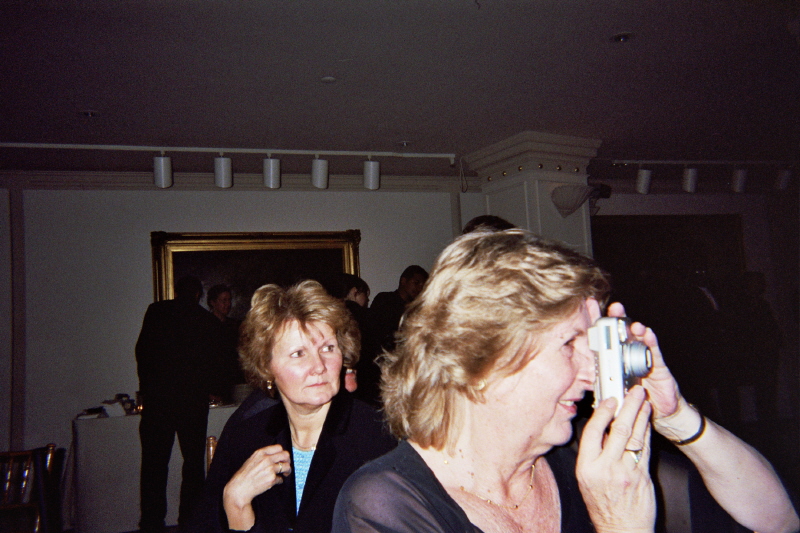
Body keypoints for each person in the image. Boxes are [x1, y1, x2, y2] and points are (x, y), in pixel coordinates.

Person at [333, 230, 798, 533]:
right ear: (482, 358)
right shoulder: (387, 504)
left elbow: (778, 521)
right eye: (570, 344)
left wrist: (677, 417)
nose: (593, 372)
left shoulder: (584, 464)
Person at [190, 280, 397, 533]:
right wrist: (235, 502)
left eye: (328, 348)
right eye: (299, 353)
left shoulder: (375, 435)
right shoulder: (246, 436)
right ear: (266, 366)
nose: (319, 366)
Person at [136, 276, 225, 532]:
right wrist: (211, 389)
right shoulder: (205, 320)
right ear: (198, 294)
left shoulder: (157, 312)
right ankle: (189, 518)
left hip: (159, 400)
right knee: (193, 464)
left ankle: (151, 522)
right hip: (192, 401)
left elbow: (142, 351)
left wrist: (146, 388)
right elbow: (214, 360)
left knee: (154, 464)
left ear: (176, 291)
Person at [369, 265, 428, 352]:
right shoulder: (385, 299)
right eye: (416, 283)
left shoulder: (418, 308)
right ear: (403, 281)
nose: (420, 288)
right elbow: (375, 333)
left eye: (422, 286)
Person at [207, 284, 245, 401]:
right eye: (224, 300)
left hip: (233, 380)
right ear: (213, 302)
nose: (228, 304)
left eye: (229, 300)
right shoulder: (205, 326)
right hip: (213, 381)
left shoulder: (235, 325)